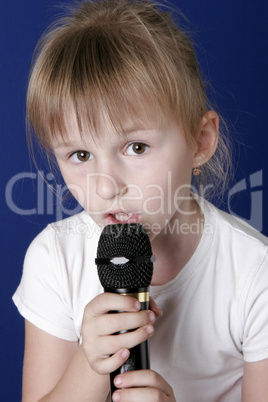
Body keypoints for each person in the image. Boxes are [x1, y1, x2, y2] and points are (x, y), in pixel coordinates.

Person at [13, 0, 268, 401]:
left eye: (136, 147)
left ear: (199, 141)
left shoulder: (254, 274)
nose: (106, 186)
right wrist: (88, 362)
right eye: (80, 156)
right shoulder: (54, 258)